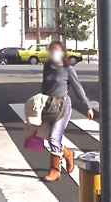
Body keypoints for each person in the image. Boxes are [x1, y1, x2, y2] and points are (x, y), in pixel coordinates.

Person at [41, 41, 94, 182]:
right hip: (50, 105)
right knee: (51, 138)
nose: (54, 54)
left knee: (54, 137)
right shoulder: (47, 67)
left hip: (63, 106)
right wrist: (41, 104)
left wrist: (87, 106)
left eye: (57, 51)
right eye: (52, 51)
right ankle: (68, 154)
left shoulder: (68, 69)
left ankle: (55, 170)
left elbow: (78, 88)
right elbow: (44, 87)